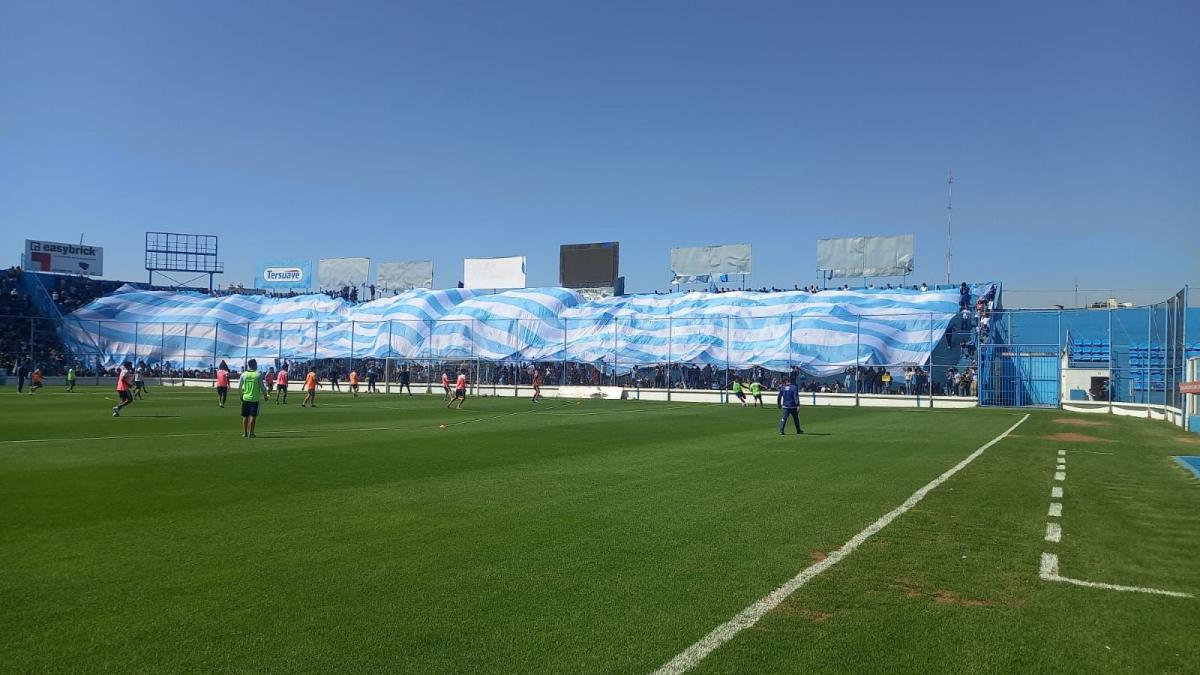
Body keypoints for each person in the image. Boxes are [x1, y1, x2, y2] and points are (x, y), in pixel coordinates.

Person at [240, 358, 264, 438]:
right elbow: (262, 386)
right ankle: (251, 433)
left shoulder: (244, 374)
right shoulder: (258, 374)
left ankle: (245, 433)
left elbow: (240, 386)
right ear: (254, 365)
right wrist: (265, 394)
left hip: (245, 397)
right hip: (255, 398)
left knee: (245, 416)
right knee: (253, 416)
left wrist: (240, 395)